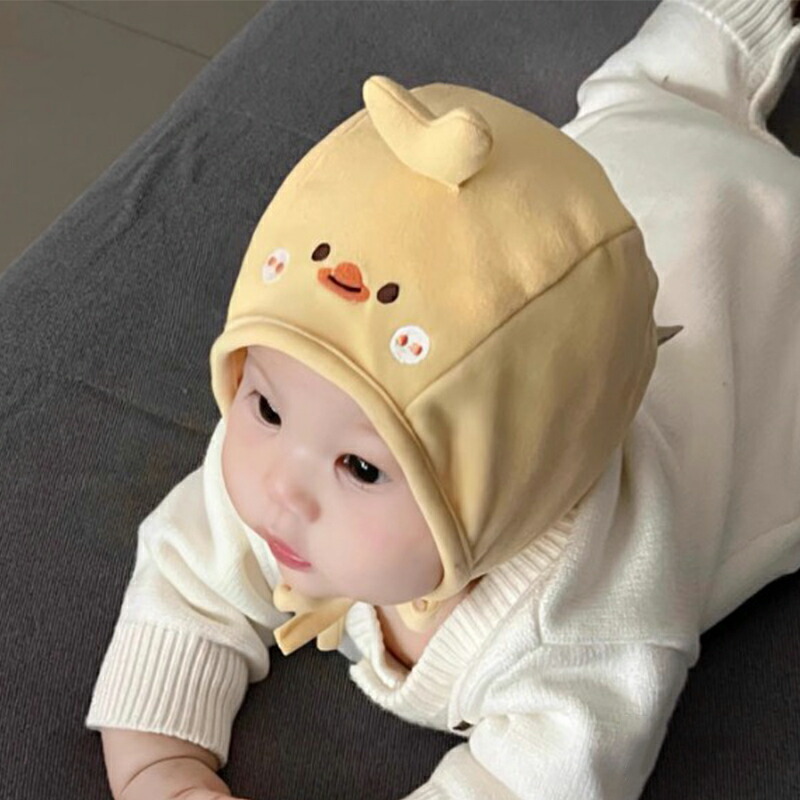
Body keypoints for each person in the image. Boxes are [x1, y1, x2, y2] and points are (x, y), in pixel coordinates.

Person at [85, 0, 800, 798]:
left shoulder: (583, 622)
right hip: (597, 188)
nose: (280, 489)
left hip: (765, 298)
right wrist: (163, 767)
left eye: (361, 468)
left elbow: (528, 781)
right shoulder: (295, 455)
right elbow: (185, 582)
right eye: (265, 407)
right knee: (654, 87)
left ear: (508, 495)